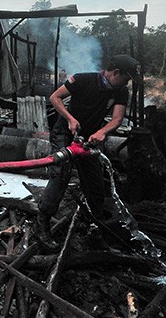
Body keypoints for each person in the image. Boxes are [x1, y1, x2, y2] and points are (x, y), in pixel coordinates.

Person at [34, 54, 141, 250]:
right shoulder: (83, 79)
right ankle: (41, 224)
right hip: (64, 133)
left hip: (89, 138)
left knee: (94, 180)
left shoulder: (120, 91)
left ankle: (97, 225)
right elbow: (55, 97)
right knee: (60, 176)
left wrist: (102, 132)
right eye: (126, 78)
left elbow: (117, 119)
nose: (126, 83)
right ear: (116, 73)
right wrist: (70, 118)